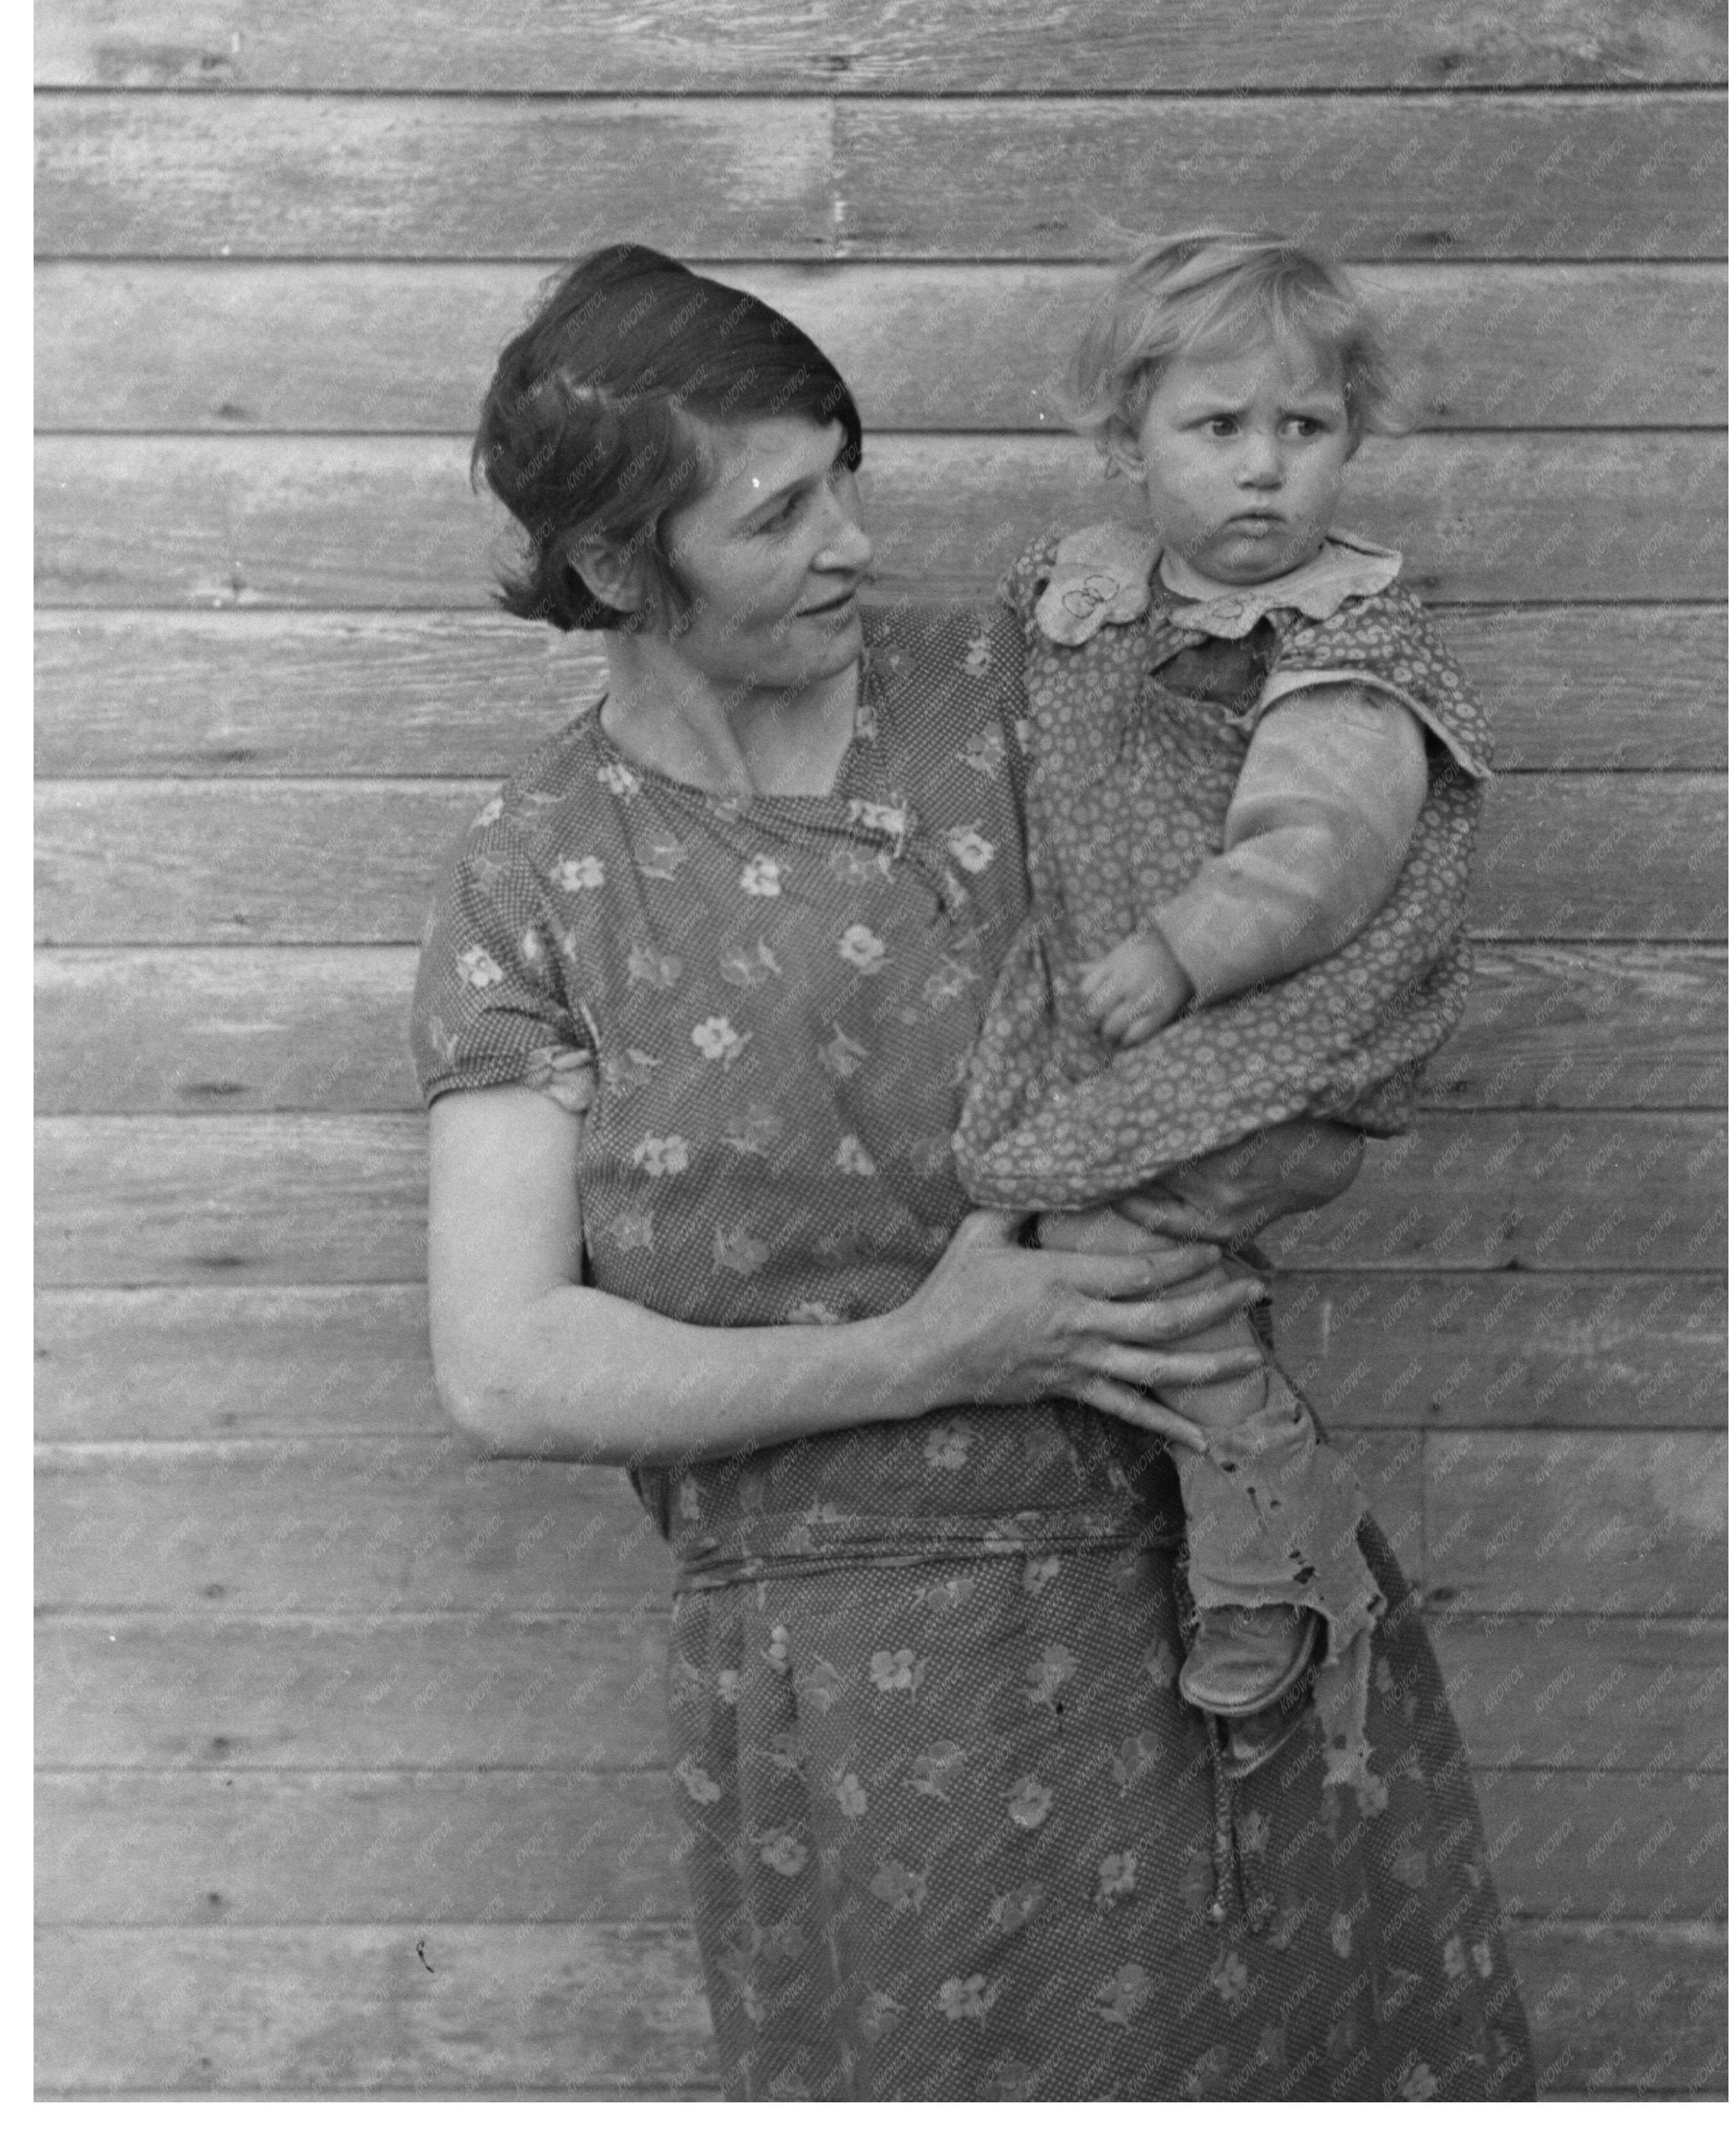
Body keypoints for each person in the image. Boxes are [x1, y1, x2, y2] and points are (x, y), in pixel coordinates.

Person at [412, 242, 1534, 2101]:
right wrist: (942, 1342)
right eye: (781, 513)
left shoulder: (1034, 678)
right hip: (850, 1687)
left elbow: (1323, 850)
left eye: (846, 476)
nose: (852, 540)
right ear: (617, 566)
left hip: (1194, 1586)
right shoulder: (534, 878)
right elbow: (502, 1362)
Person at [954, 234, 1493, 1788]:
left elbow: (1316, 855)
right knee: (1062, 1228)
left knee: (1125, 1258)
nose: (1265, 469)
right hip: (1140, 1024)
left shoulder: (1350, 647)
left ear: (1349, 440)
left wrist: (1185, 951)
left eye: (1303, 429)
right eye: (1218, 428)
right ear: (1126, 445)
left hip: (1279, 1038)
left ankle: (1265, 1518)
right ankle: (1203, 1486)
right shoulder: (1089, 596)